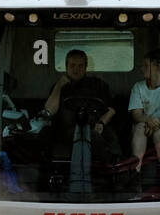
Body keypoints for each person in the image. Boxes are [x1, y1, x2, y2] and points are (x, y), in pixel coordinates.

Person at [44, 49, 117, 193]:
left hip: (95, 128)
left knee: (107, 137)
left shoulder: (98, 85)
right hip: (66, 132)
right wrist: (59, 86)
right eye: (72, 66)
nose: (76, 69)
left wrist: (101, 123)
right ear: (66, 67)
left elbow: (111, 109)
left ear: (86, 66)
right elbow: (49, 111)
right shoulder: (59, 86)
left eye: (80, 66)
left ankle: (114, 172)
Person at [128, 51, 160, 194]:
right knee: (140, 127)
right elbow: (136, 114)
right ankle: (136, 174)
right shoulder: (138, 87)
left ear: (158, 66)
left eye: (146, 65)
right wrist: (148, 120)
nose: (142, 69)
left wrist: (156, 123)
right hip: (145, 125)